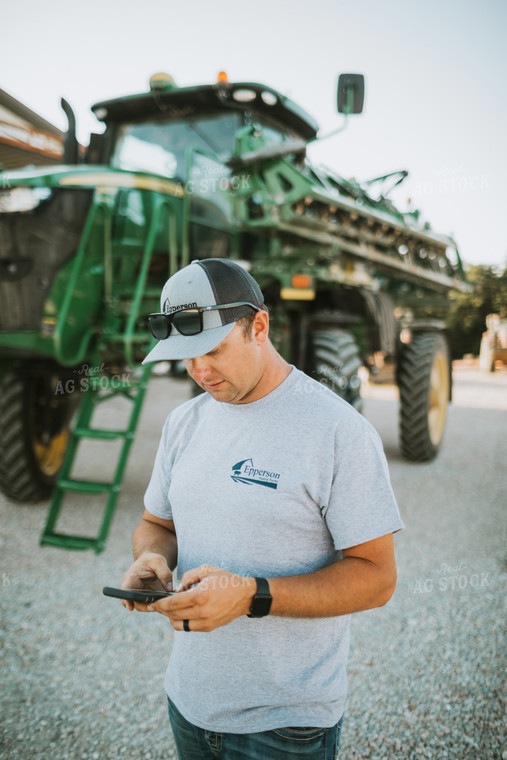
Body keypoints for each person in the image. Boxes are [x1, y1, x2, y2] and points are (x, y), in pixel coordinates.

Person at [120, 257, 403, 760]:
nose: (200, 371)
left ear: (259, 326)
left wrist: (252, 595)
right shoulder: (184, 422)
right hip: (189, 705)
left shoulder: (337, 431)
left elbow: (377, 578)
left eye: (213, 349)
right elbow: (156, 523)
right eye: (186, 358)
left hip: (286, 726)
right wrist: (152, 558)